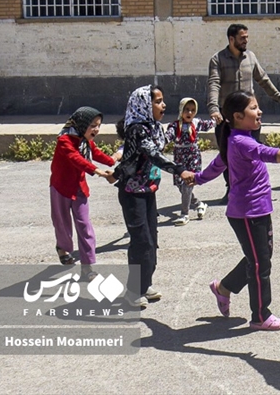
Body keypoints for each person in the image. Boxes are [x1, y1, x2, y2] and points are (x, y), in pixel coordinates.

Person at [193, 90, 280, 331]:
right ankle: (261, 316)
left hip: (258, 210)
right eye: (253, 108)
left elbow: (218, 164)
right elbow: (267, 154)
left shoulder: (237, 139)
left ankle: (223, 288)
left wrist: (197, 178)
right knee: (260, 263)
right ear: (238, 116)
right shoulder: (241, 142)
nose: (259, 111)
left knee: (260, 258)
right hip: (247, 213)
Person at [113, 85, 195, 309]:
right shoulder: (137, 129)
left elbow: (166, 141)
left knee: (151, 240)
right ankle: (133, 291)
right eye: (157, 101)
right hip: (132, 193)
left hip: (148, 190)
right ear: (143, 105)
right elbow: (154, 155)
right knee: (141, 241)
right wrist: (179, 170)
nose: (163, 105)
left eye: (162, 100)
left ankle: (144, 283)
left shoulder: (154, 127)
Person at [207, 23, 280, 204]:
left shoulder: (251, 57)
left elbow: (263, 80)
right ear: (231, 39)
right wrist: (213, 108)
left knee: (253, 153)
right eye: (242, 38)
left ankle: (255, 189)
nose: (246, 40)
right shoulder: (218, 59)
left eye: (247, 37)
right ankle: (231, 189)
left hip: (249, 117)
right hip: (227, 117)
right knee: (227, 155)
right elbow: (214, 83)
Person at [49, 107, 115, 280]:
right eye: (92, 125)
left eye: (98, 125)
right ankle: (62, 248)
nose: (96, 129)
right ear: (82, 124)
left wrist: (113, 160)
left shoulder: (85, 141)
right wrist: (98, 171)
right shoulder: (65, 140)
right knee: (62, 224)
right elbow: (76, 158)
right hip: (61, 188)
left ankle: (87, 268)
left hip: (79, 190)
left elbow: (96, 153)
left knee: (85, 226)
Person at [166, 97, 214, 226]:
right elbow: (168, 136)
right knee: (180, 185)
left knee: (187, 185)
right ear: (181, 110)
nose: (189, 113)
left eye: (192, 110)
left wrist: (217, 119)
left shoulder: (196, 123)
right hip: (179, 158)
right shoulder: (175, 125)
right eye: (187, 109)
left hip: (193, 158)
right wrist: (161, 142)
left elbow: (208, 124)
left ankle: (184, 214)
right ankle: (199, 204)